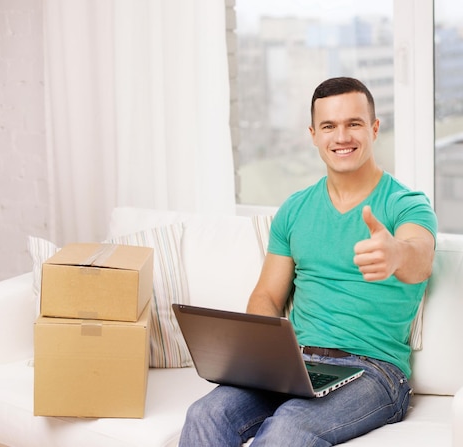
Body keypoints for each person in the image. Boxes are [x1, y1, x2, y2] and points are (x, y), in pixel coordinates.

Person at [179, 77, 438, 446]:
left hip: (374, 372)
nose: (342, 137)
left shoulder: (405, 203)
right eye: (330, 126)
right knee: (205, 414)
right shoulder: (295, 209)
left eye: (354, 124)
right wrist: (261, 359)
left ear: (375, 128)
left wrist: (395, 253)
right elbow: (267, 295)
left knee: (290, 425)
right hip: (295, 365)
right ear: (314, 134)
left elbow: (421, 258)